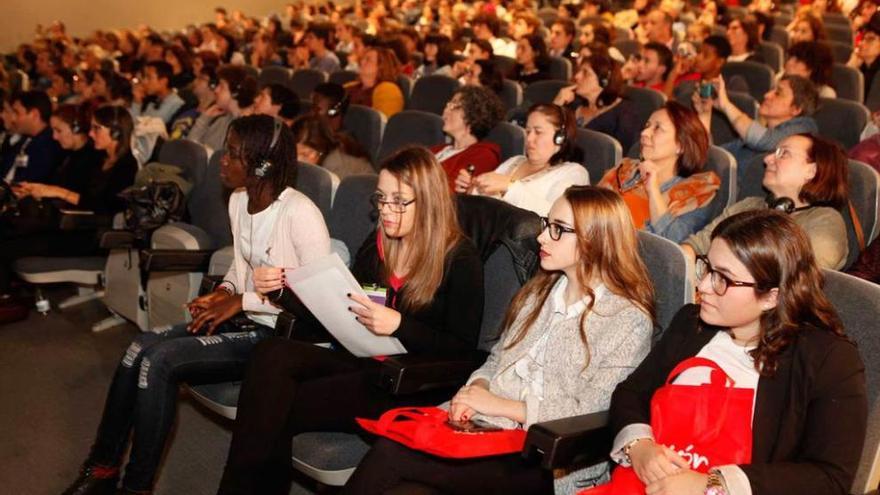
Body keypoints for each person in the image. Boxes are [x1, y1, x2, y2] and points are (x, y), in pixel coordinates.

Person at [60, 115, 331, 495]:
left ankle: (135, 488)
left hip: (282, 340)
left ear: (262, 164)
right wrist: (225, 291)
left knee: (159, 360)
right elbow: (242, 265)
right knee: (138, 346)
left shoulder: (301, 214)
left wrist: (242, 300)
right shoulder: (239, 200)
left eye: (233, 153)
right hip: (248, 321)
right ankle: (102, 468)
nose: (222, 159)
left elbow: (320, 302)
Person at [343, 186, 656, 494]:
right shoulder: (541, 292)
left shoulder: (627, 320)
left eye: (558, 229)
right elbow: (496, 361)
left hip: (549, 458)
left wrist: (501, 406)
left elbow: (592, 410)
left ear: (594, 241)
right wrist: (476, 389)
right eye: (547, 224)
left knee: (392, 454)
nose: (542, 237)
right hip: (488, 428)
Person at [216, 146, 485, 495]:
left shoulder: (460, 258)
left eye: (399, 201)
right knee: (272, 353)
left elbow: (463, 351)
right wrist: (283, 291)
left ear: (429, 202)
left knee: (274, 405)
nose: (386, 210)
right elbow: (339, 313)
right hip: (362, 358)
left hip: (407, 380)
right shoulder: (378, 247)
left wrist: (399, 325)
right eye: (381, 199)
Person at [608, 209, 867, 495]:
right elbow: (631, 393)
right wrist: (640, 447)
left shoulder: (827, 360)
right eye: (707, 268)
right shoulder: (691, 324)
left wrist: (712, 484)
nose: (703, 285)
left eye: (723, 279)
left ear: (772, 296)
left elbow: (829, 477)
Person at [683, 133, 849, 270]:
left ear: (811, 171)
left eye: (784, 153)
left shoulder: (826, 222)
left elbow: (795, 280)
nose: (767, 159)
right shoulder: (750, 205)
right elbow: (697, 244)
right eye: (773, 152)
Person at [598, 101, 720, 243]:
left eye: (657, 128)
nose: (644, 133)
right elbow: (587, 210)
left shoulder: (697, 193)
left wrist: (653, 190)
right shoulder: (625, 169)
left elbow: (672, 248)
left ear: (681, 145)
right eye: (647, 126)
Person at [457, 104, 589, 216]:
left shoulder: (574, 173)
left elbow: (554, 216)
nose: (529, 139)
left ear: (560, 138)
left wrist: (509, 188)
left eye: (538, 132)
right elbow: (484, 205)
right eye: (527, 131)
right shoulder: (515, 161)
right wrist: (471, 189)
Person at [694, 74, 819, 181]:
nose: (767, 95)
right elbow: (712, 157)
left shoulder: (805, 128)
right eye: (771, 90)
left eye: (778, 93)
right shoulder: (757, 132)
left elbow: (764, 141)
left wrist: (725, 105)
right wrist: (705, 115)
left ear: (796, 109)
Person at [554, 52, 641, 152]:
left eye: (585, 73)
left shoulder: (625, 112)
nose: (577, 76)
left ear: (604, 81)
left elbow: (626, 154)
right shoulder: (572, 103)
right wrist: (557, 105)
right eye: (578, 71)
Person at [430, 86, 504, 190]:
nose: (446, 110)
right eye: (448, 105)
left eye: (454, 106)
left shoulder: (484, 155)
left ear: (473, 115)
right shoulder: (439, 149)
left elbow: (451, 192)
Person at [187, 65, 258, 153]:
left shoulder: (245, 129)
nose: (216, 90)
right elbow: (190, 148)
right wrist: (204, 118)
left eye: (222, 86)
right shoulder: (221, 119)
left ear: (235, 93)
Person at [1, 90, 65, 183]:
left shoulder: (48, 147)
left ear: (34, 115)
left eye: (17, 113)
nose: (13, 119)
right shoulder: (25, 139)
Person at [290, 114, 374, 179]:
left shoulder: (335, 168)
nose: (297, 160)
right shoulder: (326, 153)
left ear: (317, 152)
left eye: (304, 154)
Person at [344, 47, 405, 118]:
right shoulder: (350, 86)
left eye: (368, 60)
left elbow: (381, 123)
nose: (362, 61)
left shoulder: (388, 90)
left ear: (382, 66)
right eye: (363, 58)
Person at [130, 61, 186, 126]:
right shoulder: (153, 101)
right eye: (144, 77)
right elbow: (131, 125)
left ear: (163, 81)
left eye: (149, 77)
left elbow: (145, 129)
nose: (144, 82)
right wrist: (137, 101)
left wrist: (137, 102)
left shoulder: (175, 103)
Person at [848, 12, 880, 101]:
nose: (861, 43)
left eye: (870, 39)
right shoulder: (861, 66)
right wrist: (851, 68)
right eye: (863, 38)